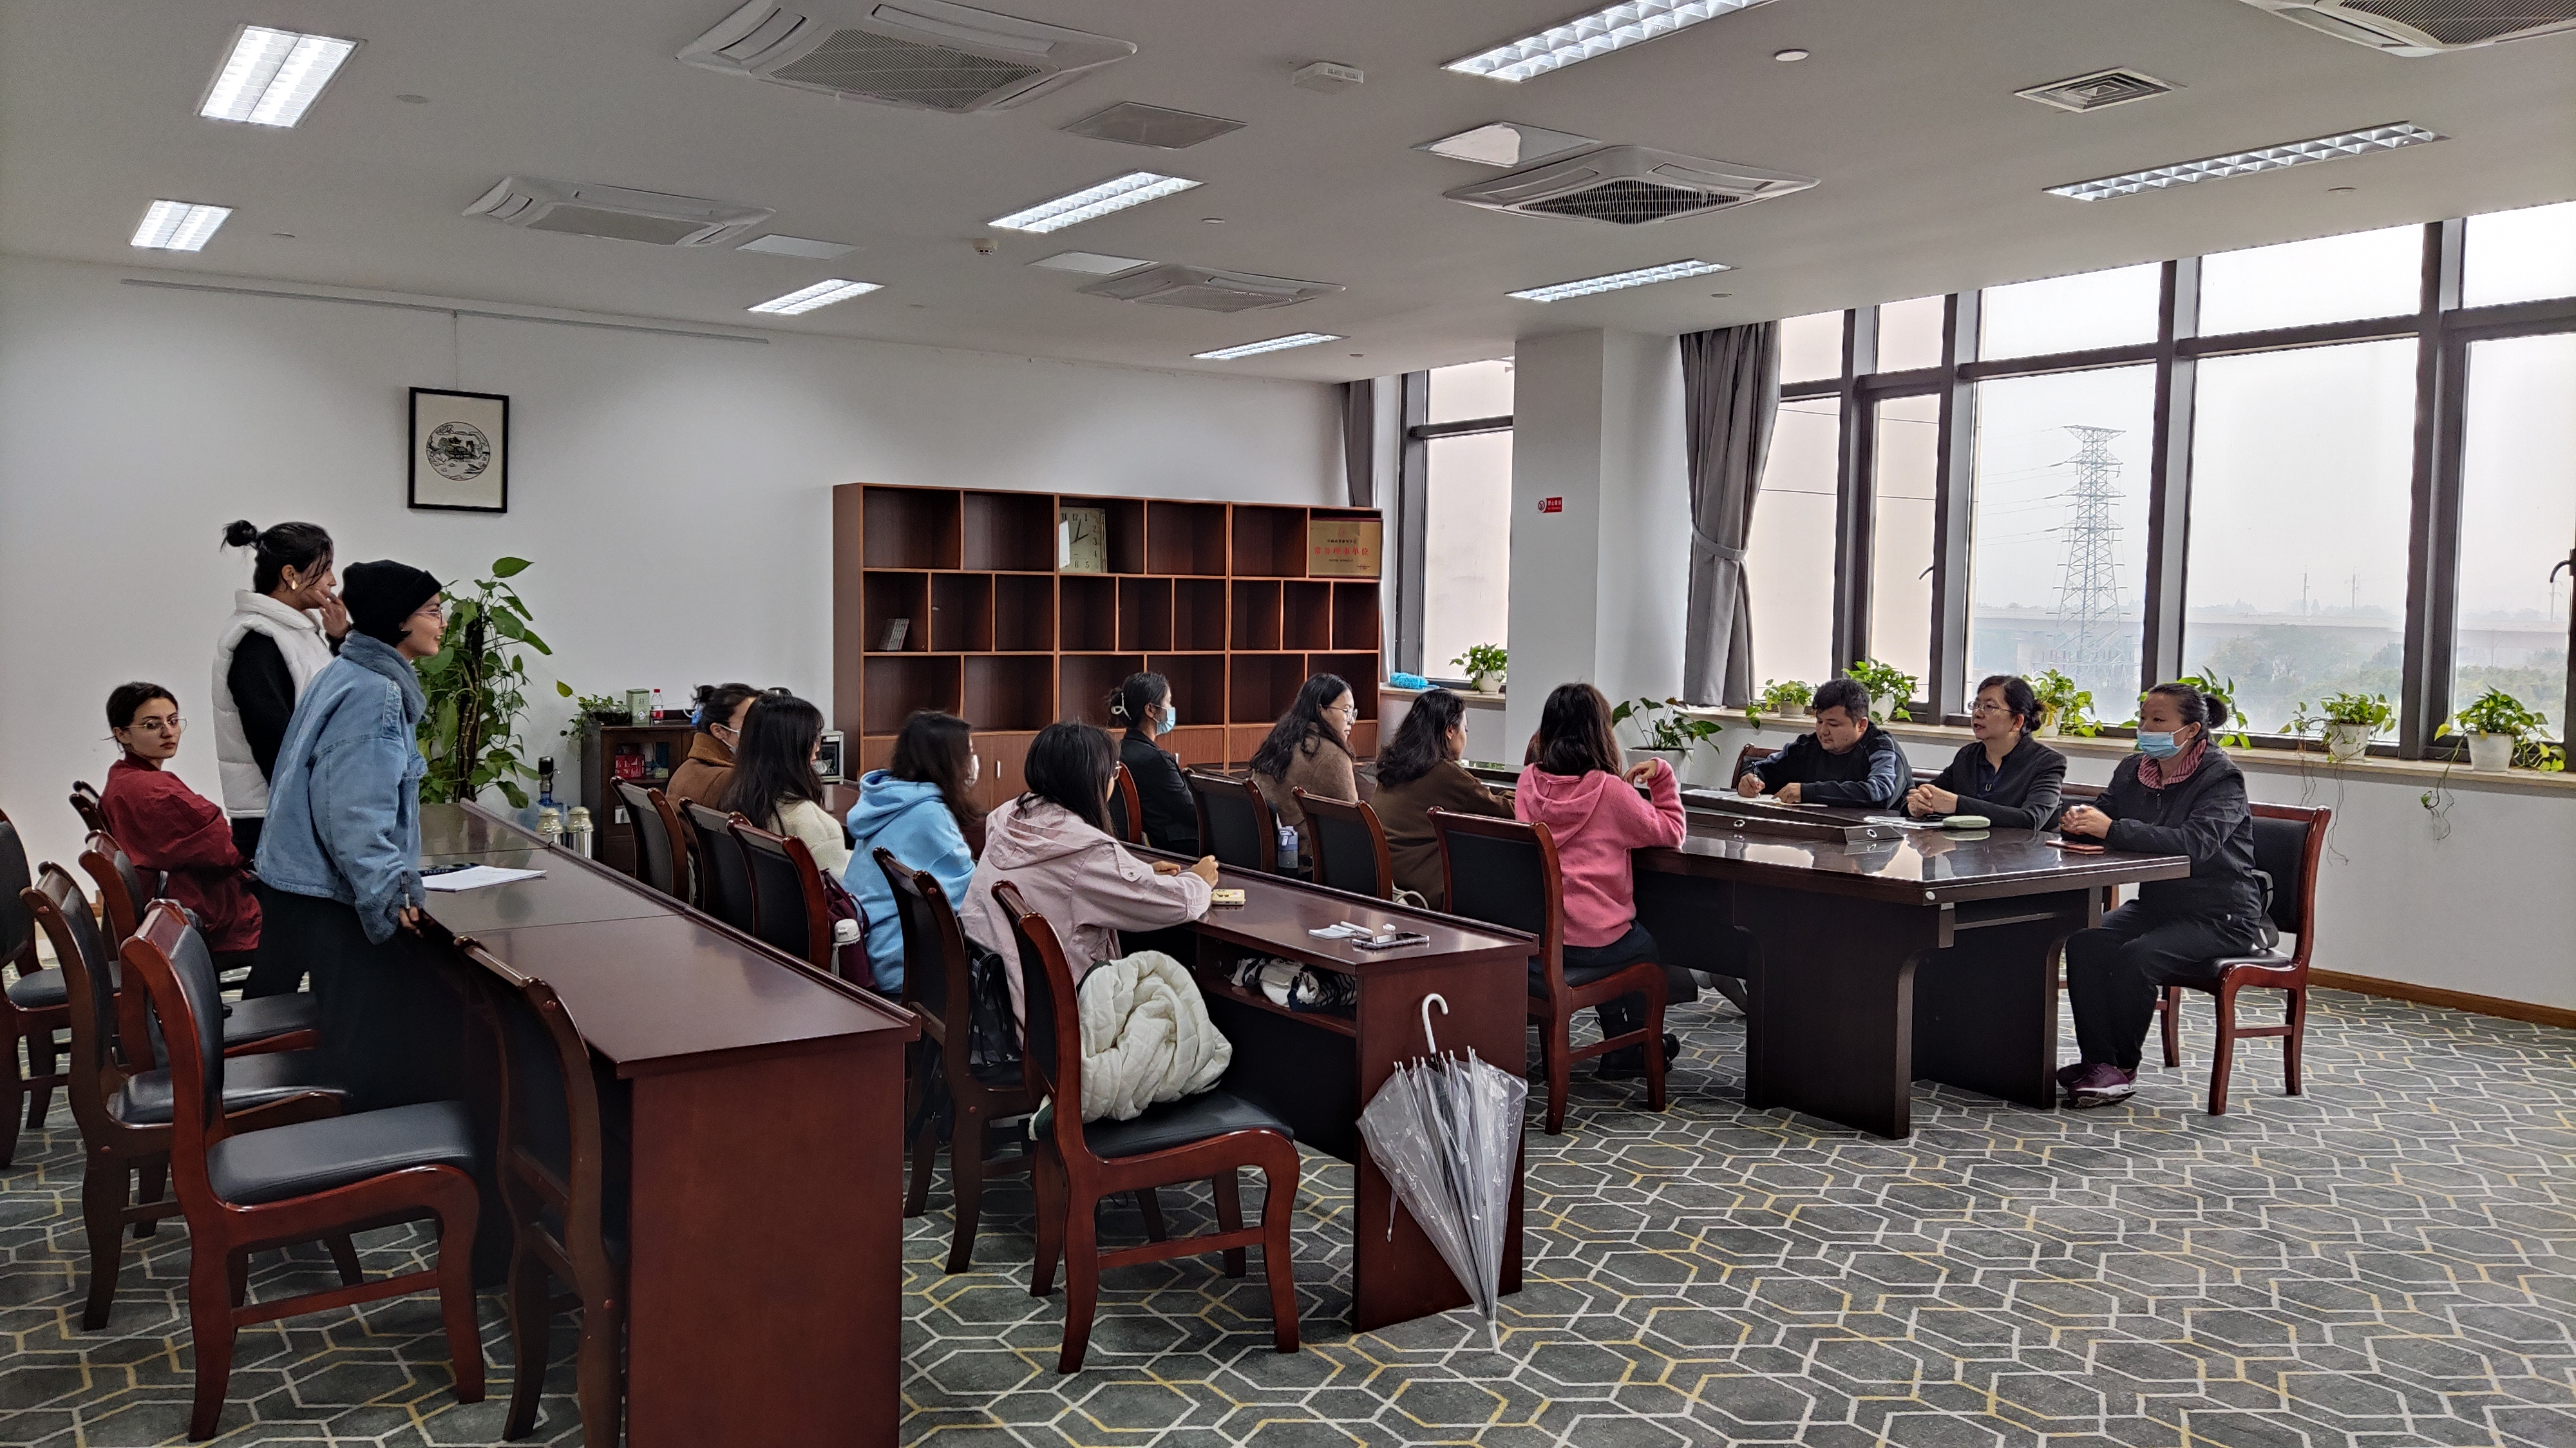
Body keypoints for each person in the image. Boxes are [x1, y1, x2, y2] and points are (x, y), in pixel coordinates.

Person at [255, 560, 446, 1112]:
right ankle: (368, 1148)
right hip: (329, 896)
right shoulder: (375, 692)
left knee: (357, 1027)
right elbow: (353, 812)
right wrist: (391, 891)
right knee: (371, 1040)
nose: (442, 624)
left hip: (302, 885)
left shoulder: (348, 671)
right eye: (433, 612)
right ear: (398, 620)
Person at [2054, 682, 2269, 1108]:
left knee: (2136, 957)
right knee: (2085, 941)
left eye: (2158, 720)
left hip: (2222, 915)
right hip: (2159, 905)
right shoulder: (2134, 769)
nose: (2145, 728)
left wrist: (2111, 829)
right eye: (2143, 719)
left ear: (2191, 730)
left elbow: (2196, 842)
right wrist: (2079, 820)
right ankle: (2099, 1062)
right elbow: (2106, 812)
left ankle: (2121, 1067)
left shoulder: (2221, 777)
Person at [959, 721, 1218, 1026]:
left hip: (994, 1005)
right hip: (1057, 1019)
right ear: (1093, 779)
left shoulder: (1008, 817)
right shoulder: (1086, 850)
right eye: (1113, 771)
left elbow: (1063, 883)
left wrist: (1139, 872)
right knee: (1187, 1012)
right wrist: (1198, 879)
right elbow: (1178, 903)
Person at [1513, 683, 1690, 1080]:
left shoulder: (1527, 782)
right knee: (1644, 945)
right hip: (1593, 941)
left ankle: (1622, 1044)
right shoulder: (1610, 791)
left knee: (1614, 937)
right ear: (1601, 733)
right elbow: (1672, 832)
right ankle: (1635, 1044)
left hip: (1543, 937)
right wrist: (1662, 776)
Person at [98, 683, 260, 976]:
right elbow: (225, 851)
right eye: (152, 725)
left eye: (173, 721)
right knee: (312, 917)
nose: (168, 732)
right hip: (201, 912)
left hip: (177, 902)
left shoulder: (124, 777)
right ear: (122, 734)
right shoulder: (152, 792)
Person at [211, 520, 346, 857]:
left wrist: (340, 638)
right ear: (291, 575)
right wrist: (313, 812)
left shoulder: (296, 632)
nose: (333, 581)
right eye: (325, 569)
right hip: (277, 816)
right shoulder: (257, 638)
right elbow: (273, 739)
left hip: (300, 807)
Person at [845, 710, 981, 993]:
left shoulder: (884, 799)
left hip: (870, 943)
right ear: (947, 761)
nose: (973, 762)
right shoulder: (930, 815)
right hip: (900, 959)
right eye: (968, 753)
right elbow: (972, 894)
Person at [1369, 688, 1510, 910]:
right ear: (1450, 731)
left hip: (1385, 880)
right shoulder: (1443, 774)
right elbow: (1506, 811)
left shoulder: (1394, 765)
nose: (1466, 736)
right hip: (1424, 890)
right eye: (1465, 729)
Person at [1906, 674, 2068, 829]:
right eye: (1976, 705)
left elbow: (2031, 819)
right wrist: (1916, 806)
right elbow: (1926, 795)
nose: (1978, 713)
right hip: (1966, 846)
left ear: (2017, 722)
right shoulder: (1968, 756)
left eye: (1989, 707)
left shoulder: (2047, 763)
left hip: (2022, 848)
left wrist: (1957, 804)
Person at [721, 692, 849, 875]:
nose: (818, 747)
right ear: (793, 748)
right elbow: (839, 884)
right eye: (813, 738)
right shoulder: (811, 823)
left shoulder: (739, 800)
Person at [1736, 677, 1913, 808]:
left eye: (1833, 724)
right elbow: (1761, 768)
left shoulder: (1881, 748)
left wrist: (1807, 792)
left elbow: (1879, 793)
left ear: (1861, 725)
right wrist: (1749, 779)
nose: (1823, 731)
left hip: (1880, 839)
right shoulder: (1809, 746)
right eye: (1820, 721)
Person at [1249, 673, 1358, 868]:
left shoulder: (1280, 739)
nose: (1352, 721)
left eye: (1353, 713)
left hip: (1262, 852)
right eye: (1346, 711)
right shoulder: (1332, 755)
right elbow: (1355, 823)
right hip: (1305, 862)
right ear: (1321, 709)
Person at [1108, 672, 1199, 855]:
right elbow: (1192, 813)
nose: (1171, 709)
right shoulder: (1157, 760)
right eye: (1168, 702)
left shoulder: (1118, 750)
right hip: (1170, 845)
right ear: (1150, 710)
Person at [666, 681, 761, 809]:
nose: (758, 728)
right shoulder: (729, 780)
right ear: (718, 731)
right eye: (749, 720)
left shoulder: (689, 767)